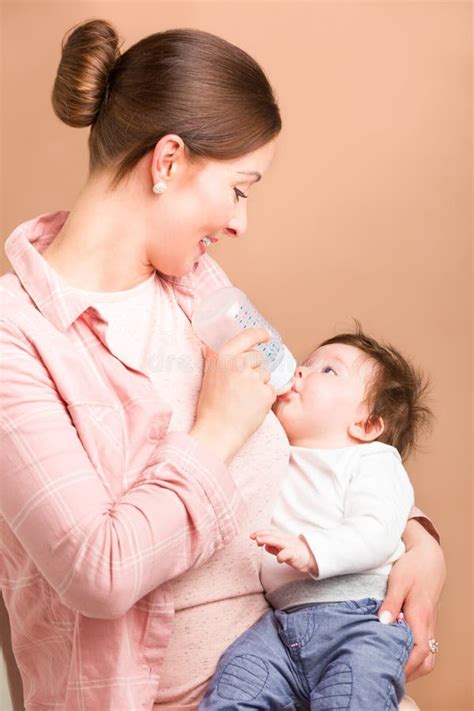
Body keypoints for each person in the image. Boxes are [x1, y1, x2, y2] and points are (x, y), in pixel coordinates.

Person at [0, 18, 445, 711]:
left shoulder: (202, 287)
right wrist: (215, 431)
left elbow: (319, 435)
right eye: (240, 188)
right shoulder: (15, 337)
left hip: (313, 653)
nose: (241, 223)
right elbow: (100, 570)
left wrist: (416, 542)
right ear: (168, 160)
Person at [200, 327, 433, 710]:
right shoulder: (271, 449)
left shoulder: (372, 461)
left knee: (353, 696)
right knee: (238, 679)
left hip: (361, 622)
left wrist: (313, 550)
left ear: (367, 425)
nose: (301, 372)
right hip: (280, 626)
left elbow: (378, 530)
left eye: (328, 371)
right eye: (306, 365)